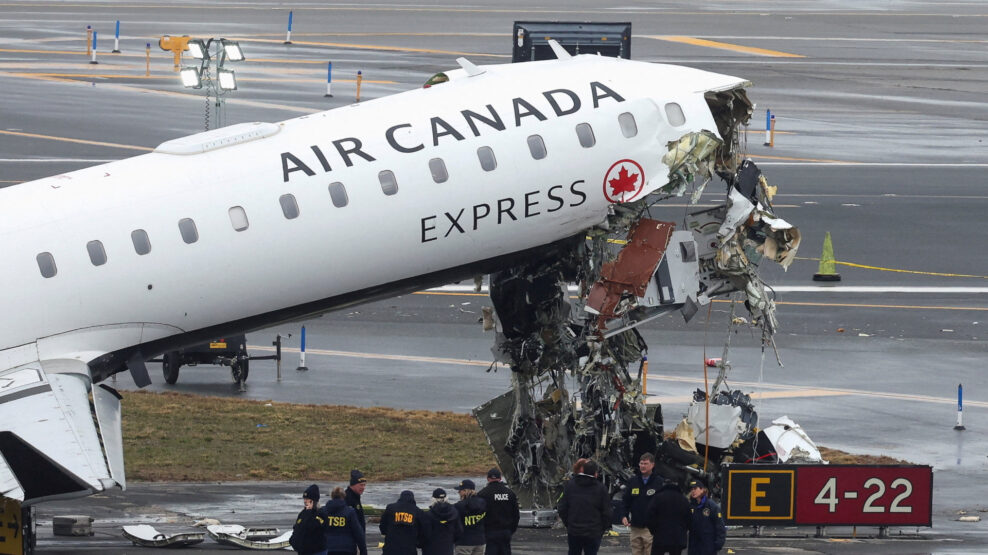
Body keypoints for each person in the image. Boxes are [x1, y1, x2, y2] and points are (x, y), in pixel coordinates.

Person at [557, 460, 612, 555]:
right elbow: (607, 512)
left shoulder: (570, 486)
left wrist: (569, 524)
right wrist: (601, 529)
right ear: (595, 473)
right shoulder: (601, 488)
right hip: (593, 532)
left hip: (574, 531)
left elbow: (562, 508)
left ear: (582, 470)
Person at [622, 453, 660, 555]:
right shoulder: (633, 481)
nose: (643, 466)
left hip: (651, 528)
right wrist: (624, 515)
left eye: (646, 463)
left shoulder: (658, 482)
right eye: (641, 463)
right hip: (635, 527)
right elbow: (626, 501)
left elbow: (663, 504)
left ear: (652, 465)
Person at [476, 468, 519, 555]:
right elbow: (516, 514)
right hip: (506, 531)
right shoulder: (510, 493)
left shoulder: (483, 494)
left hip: (489, 532)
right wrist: (511, 530)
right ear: (500, 479)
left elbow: (478, 514)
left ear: (488, 479)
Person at [644, 479, 691, 555]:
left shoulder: (657, 498)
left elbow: (649, 516)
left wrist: (654, 531)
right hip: (677, 538)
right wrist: (683, 530)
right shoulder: (684, 500)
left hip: (660, 537)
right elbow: (689, 519)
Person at [380, 490, 429, 555]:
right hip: (409, 549)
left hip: (390, 548)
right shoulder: (418, 512)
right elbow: (424, 530)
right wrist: (418, 543)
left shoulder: (390, 508)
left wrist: (386, 534)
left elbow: (383, 525)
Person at [323, 486, 368, 555]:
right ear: (344, 497)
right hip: (347, 549)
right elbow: (358, 533)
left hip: (328, 548)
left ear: (331, 496)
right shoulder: (349, 512)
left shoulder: (323, 511)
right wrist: (363, 551)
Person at [686, 479, 726, 555]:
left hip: (708, 546)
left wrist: (719, 543)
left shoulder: (711, 506)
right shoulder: (691, 506)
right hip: (694, 546)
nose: (693, 491)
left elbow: (720, 526)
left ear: (702, 489)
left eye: (695, 489)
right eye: (691, 489)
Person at [422, 488, 463, 555]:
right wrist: (450, 540)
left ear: (433, 499)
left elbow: (424, 534)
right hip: (447, 548)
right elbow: (459, 531)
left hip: (430, 549)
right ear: (446, 498)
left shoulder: (428, 515)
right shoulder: (454, 512)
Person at [290, 484, 328, 555]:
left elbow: (312, 527)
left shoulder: (321, 514)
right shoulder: (302, 514)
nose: (305, 501)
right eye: (305, 499)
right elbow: (297, 528)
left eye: (308, 499)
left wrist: (309, 512)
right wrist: (293, 541)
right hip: (303, 551)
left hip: (317, 551)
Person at [453, 479, 487, 555]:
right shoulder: (483, 502)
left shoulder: (459, 506)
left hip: (464, 543)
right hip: (480, 541)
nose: (458, 492)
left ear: (465, 491)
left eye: (460, 490)